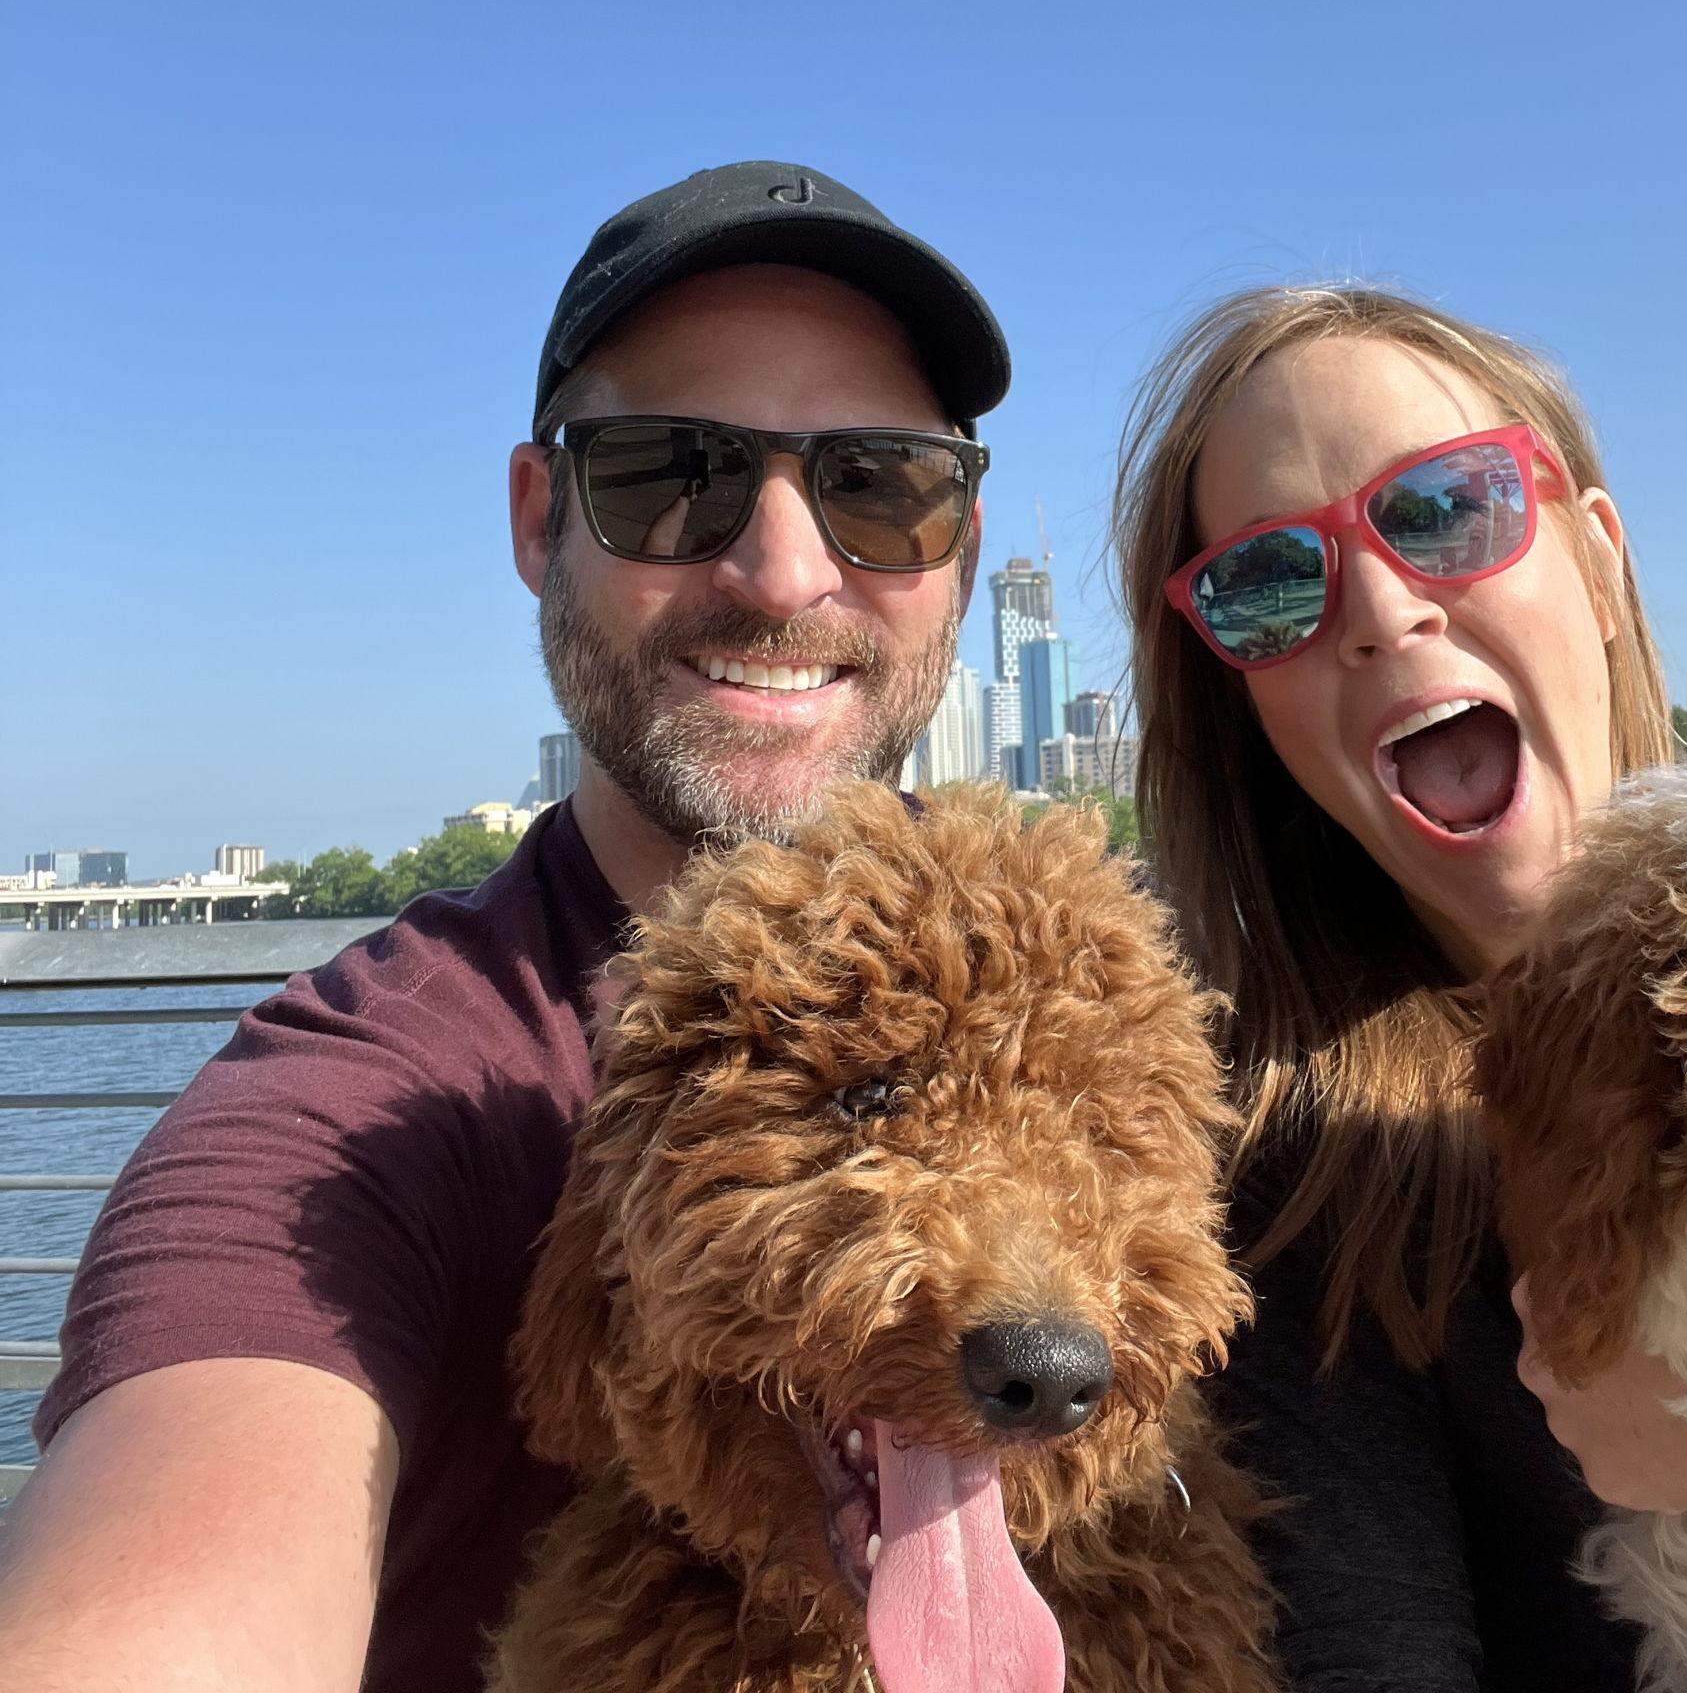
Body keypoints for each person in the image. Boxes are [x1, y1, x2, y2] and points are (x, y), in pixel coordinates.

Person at [0, 162, 1011, 1693]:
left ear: (966, 550)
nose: (787, 570)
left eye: (880, 485)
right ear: (541, 522)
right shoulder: (363, 1108)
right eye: (672, 474)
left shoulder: (1126, 999)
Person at [1114, 285, 1687, 1691]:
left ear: (1599, 564)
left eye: (1445, 510)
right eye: (1271, 581)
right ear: (1244, 702)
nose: (1379, 610)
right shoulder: (1293, 1190)